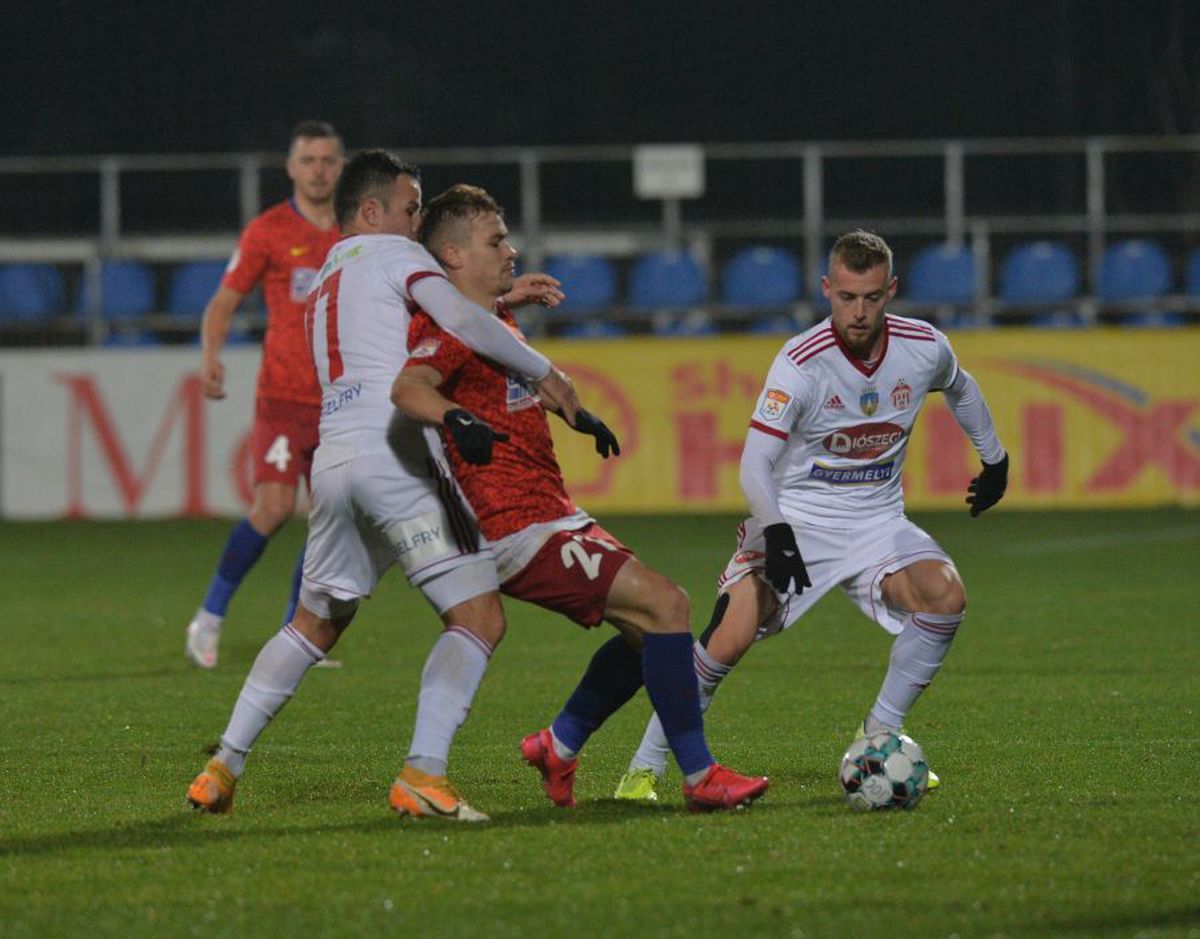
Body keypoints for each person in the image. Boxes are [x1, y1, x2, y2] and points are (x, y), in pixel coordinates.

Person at [186, 150, 582, 822]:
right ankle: (423, 774)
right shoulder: (397, 255)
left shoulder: (327, 277)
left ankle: (222, 765)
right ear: (371, 212)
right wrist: (547, 373)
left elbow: (405, 325)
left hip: (335, 462)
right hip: (397, 457)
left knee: (312, 624)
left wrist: (500, 297)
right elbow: (460, 322)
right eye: (410, 207)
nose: (418, 220)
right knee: (478, 617)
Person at [392, 184, 770, 812]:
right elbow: (410, 387)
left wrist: (569, 409)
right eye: (496, 241)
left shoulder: (488, 317)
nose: (511, 251)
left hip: (550, 511)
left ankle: (558, 743)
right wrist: (454, 417)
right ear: (453, 256)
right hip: (514, 526)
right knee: (668, 606)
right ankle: (700, 777)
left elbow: (504, 381)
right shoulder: (451, 327)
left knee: (648, 636)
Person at [613, 229, 1009, 801]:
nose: (859, 311)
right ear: (827, 289)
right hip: (795, 520)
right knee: (730, 634)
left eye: (871, 297)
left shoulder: (923, 347)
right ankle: (642, 769)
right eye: (847, 297)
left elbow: (962, 388)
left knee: (945, 595)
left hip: (878, 523)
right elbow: (754, 463)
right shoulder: (801, 363)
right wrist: (776, 531)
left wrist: (995, 459)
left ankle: (879, 737)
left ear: (891, 290)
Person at [185, 120, 345, 670]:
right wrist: (210, 355)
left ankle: (297, 634)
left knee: (331, 518)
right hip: (283, 397)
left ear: (341, 166)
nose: (318, 171)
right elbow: (224, 301)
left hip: (341, 399)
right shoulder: (269, 230)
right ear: (291, 168)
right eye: (309, 161)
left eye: (327, 160)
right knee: (274, 508)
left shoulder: (357, 231)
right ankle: (209, 617)